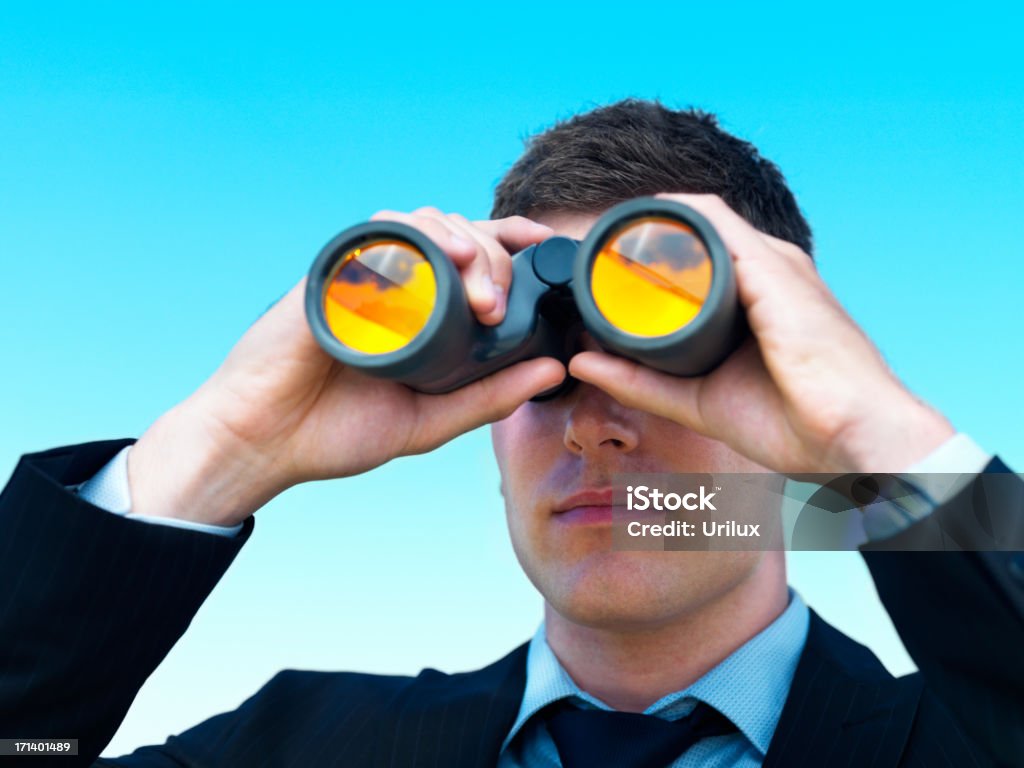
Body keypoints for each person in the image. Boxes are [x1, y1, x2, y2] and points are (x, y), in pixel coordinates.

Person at [1, 100, 1021, 768]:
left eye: (667, 366)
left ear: (788, 372)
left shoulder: (962, 744)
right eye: (537, 373)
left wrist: (880, 437)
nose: (597, 430)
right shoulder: (303, 744)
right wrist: (217, 448)